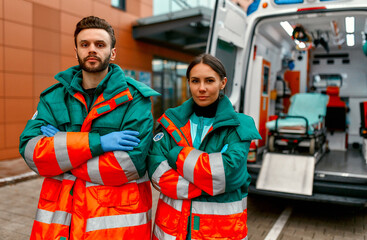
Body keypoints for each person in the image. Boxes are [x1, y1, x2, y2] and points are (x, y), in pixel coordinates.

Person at [19, 16, 159, 240]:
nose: (92, 50)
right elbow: (31, 153)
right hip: (61, 220)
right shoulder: (53, 97)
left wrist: (63, 151)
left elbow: (129, 165)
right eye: (85, 44)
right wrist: (99, 143)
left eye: (100, 45)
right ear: (76, 51)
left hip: (115, 226)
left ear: (112, 53)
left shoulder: (136, 99)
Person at [148, 53, 261, 240]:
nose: (201, 88)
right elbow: (155, 170)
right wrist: (205, 182)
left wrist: (176, 155)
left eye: (209, 81)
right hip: (172, 231)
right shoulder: (171, 121)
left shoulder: (239, 125)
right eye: (195, 81)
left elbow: (228, 172)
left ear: (223, 83)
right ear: (188, 83)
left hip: (219, 232)